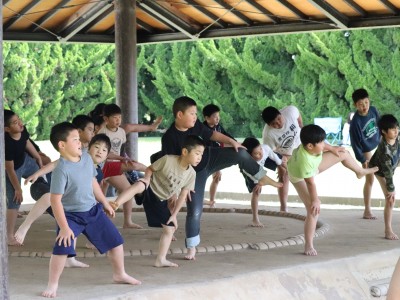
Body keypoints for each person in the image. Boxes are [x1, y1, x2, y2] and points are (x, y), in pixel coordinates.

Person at [160, 96, 282, 260]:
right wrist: (179, 188)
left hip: (210, 156)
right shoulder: (169, 137)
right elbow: (173, 165)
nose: (195, 117)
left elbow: (214, 135)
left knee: (241, 152)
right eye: (192, 113)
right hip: (192, 174)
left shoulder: (195, 125)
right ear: (180, 115)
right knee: (194, 211)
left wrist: (232, 142)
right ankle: (191, 247)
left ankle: (261, 176)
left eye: (196, 113)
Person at [41, 122, 141, 298]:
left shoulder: (87, 159)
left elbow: (92, 181)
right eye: (75, 140)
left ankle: (119, 274)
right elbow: (55, 201)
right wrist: (64, 227)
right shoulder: (61, 170)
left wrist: (104, 202)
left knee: (116, 242)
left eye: (79, 139)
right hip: (70, 216)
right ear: (62, 145)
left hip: (92, 210)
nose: (80, 143)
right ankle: (52, 284)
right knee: (61, 249)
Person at [111, 135, 205, 267]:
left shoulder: (191, 174)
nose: (200, 157)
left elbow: (183, 195)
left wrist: (173, 215)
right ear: (185, 152)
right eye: (197, 153)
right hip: (149, 188)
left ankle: (160, 259)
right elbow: (150, 169)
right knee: (140, 184)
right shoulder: (168, 160)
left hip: (160, 200)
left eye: (202, 154)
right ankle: (116, 204)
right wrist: (147, 179)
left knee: (170, 229)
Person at [287, 124, 378, 256]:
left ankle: (360, 171)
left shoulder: (311, 147)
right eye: (321, 142)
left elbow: (323, 146)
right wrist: (315, 200)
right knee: (313, 210)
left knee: (343, 153)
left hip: (313, 165)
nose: (324, 144)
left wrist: (333, 148)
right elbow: (310, 184)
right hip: (298, 177)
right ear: (310, 146)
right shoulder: (304, 161)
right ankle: (308, 244)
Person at [15, 134, 112, 249]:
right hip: (42, 187)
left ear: (107, 155)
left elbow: (92, 193)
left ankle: (85, 245)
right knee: (50, 197)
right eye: (97, 147)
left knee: (87, 212)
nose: (100, 151)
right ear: (88, 147)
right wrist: (37, 174)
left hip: (69, 202)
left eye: (104, 150)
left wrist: (104, 204)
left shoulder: (97, 172)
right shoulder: (76, 158)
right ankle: (25, 226)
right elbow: (55, 164)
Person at [97, 103, 147, 229]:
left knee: (127, 190)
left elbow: (121, 149)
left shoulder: (121, 132)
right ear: (106, 119)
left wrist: (123, 159)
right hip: (104, 167)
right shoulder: (102, 133)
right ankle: (102, 226)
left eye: (119, 117)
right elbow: (103, 154)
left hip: (116, 166)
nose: (118, 120)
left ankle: (127, 221)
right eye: (114, 117)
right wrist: (122, 160)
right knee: (100, 199)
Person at [4, 109, 43, 246]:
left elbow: (26, 142)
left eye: (18, 119)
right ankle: (8, 236)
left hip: (25, 161)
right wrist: (17, 189)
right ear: (6, 129)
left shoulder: (22, 129)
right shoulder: (6, 145)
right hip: (12, 170)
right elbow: (9, 169)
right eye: (15, 123)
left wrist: (38, 157)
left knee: (42, 172)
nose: (20, 123)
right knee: (15, 201)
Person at [262, 105, 303, 212]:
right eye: (273, 124)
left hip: (300, 146)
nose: (278, 124)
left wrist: (301, 125)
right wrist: (280, 164)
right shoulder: (268, 134)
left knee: (307, 172)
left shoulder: (290, 111)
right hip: (284, 154)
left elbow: (298, 114)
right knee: (283, 176)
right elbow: (270, 152)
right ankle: (283, 206)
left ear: (280, 114)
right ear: (268, 125)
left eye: (279, 119)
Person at [349, 88, 380, 220]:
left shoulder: (373, 110)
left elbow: (380, 124)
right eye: (361, 104)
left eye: (366, 102)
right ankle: (367, 210)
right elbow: (355, 144)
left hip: (378, 142)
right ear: (356, 105)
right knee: (370, 178)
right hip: (366, 149)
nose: (364, 106)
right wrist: (362, 159)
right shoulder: (355, 122)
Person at [241, 137, 286, 227]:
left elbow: (272, 155)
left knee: (282, 160)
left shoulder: (265, 148)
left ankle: (283, 170)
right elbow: (251, 174)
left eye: (260, 149)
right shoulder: (246, 162)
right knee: (256, 191)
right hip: (251, 172)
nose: (260, 154)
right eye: (256, 153)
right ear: (249, 155)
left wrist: (280, 164)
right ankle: (255, 219)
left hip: (263, 163)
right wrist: (259, 182)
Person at [368, 114, 400, 240]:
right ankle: (388, 230)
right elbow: (387, 174)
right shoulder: (384, 151)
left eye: (397, 127)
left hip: (394, 163)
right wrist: (391, 189)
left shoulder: (396, 138)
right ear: (384, 132)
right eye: (393, 129)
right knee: (390, 199)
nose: (396, 131)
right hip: (380, 170)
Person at [202, 104, 235, 208]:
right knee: (204, 178)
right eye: (215, 117)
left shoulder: (218, 127)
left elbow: (226, 135)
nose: (218, 118)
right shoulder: (203, 130)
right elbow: (209, 147)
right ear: (207, 118)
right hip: (206, 157)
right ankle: (200, 200)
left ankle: (211, 201)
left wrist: (235, 142)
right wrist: (217, 168)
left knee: (216, 178)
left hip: (217, 155)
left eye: (218, 116)